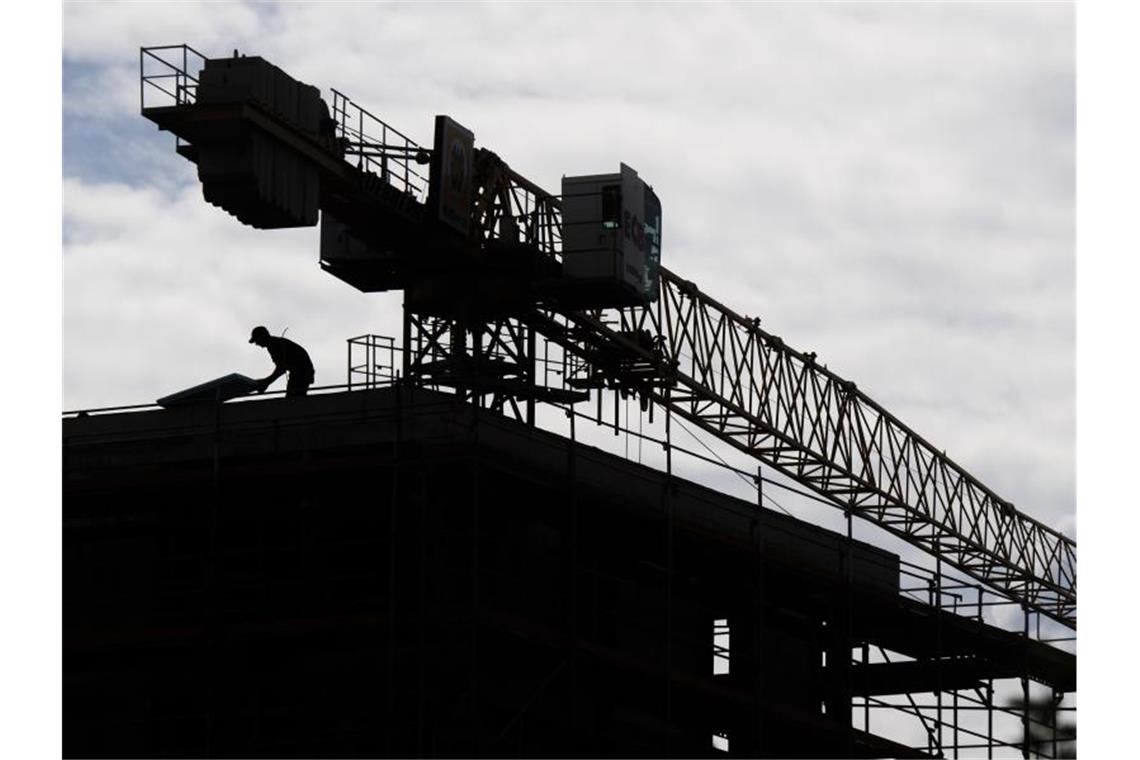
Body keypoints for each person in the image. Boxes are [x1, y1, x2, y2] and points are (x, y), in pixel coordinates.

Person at [249, 326, 315, 397]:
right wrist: (267, 381)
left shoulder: (274, 345)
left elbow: (281, 368)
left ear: (262, 336)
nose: (256, 344)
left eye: (256, 340)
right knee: (293, 398)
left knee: (293, 400)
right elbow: (281, 367)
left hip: (301, 373)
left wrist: (266, 382)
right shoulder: (274, 344)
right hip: (300, 373)